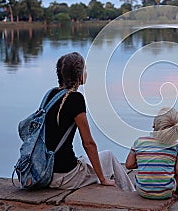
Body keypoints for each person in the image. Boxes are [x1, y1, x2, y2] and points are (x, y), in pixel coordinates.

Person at [44, 52, 135, 191]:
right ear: (79, 75)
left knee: (84, 159)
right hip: (65, 176)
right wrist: (103, 179)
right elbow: (88, 143)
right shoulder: (75, 99)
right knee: (109, 157)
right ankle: (130, 196)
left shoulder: (50, 95)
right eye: (85, 69)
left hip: (45, 172)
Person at [125, 107, 178, 199]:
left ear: (153, 125)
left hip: (142, 192)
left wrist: (145, 162)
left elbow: (129, 165)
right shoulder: (176, 146)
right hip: (166, 194)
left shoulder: (139, 142)